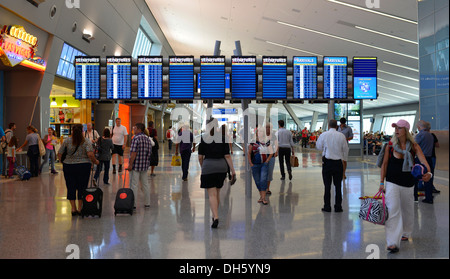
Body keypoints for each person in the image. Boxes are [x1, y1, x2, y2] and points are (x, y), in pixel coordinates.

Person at [379, 119, 431, 253]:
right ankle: (392, 242)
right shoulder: (390, 146)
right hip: (392, 182)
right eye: (395, 128)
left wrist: (429, 173)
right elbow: (384, 164)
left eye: (400, 128)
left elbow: (424, 161)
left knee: (407, 210)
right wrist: (381, 182)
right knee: (393, 210)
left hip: (408, 183)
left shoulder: (414, 146)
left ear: (406, 131)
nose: (396, 130)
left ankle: (406, 232)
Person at [198, 118, 236, 229]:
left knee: (212, 194)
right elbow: (227, 156)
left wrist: (203, 167)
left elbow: (200, 157)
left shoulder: (204, 138)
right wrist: (233, 171)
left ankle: (215, 217)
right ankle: (215, 215)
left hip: (208, 167)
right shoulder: (223, 138)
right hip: (221, 168)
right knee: (217, 193)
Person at [58, 124, 99, 216]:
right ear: (82, 131)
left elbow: (59, 153)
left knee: (71, 186)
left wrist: (64, 162)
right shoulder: (86, 141)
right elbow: (90, 155)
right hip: (83, 166)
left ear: (72, 131)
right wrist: (96, 162)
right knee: (82, 187)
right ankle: (80, 208)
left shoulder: (67, 141)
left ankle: (73, 209)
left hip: (69, 167)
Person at [316, 119, 349, 213]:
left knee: (327, 186)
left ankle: (327, 206)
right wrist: (344, 161)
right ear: (337, 126)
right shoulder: (341, 136)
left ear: (329, 126)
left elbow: (318, 146)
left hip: (327, 163)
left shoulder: (324, 135)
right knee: (338, 186)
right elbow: (345, 149)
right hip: (338, 163)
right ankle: (338, 207)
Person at [127, 123, 153, 209]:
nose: (133, 130)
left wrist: (130, 164)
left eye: (134, 128)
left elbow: (133, 153)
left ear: (138, 129)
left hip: (136, 166)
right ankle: (147, 203)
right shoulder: (148, 139)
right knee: (145, 184)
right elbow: (149, 153)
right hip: (144, 166)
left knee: (134, 185)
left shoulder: (136, 138)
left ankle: (133, 204)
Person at [249, 126, 275, 205]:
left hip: (264, 164)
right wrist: (251, 163)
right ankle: (261, 196)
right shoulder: (253, 142)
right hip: (255, 164)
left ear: (263, 133)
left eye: (261, 132)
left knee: (263, 179)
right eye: (258, 132)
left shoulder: (266, 142)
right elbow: (249, 153)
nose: (259, 133)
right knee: (257, 181)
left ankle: (263, 198)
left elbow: (271, 152)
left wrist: (267, 160)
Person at [414, 120, 435, 204]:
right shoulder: (430, 135)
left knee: (415, 178)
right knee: (428, 179)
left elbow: (414, 145)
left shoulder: (420, 135)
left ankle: (414, 197)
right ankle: (429, 197)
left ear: (419, 127)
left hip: (421, 159)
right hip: (429, 159)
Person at [265, 123, 277, 195]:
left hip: (271, 156)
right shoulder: (262, 136)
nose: (268, 129)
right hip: (263, 156)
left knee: (269, 172)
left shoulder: (274, 136)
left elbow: (276, 144)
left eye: (269, 127)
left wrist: (276, 151)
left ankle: (267, 188)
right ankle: (263, 187)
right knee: (263, 172)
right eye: (266, 127)